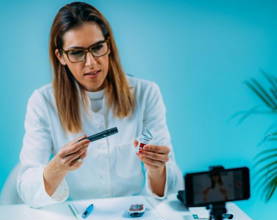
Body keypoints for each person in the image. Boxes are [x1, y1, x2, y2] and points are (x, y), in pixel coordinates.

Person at [17, 2, 183, 208]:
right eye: (77, 53)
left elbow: (171, 187)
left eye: (97, 48)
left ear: (109, 45)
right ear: (61, 56)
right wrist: (57, 168)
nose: (91, 63)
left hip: (135, 214)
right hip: (76, 216)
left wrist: (157, 169)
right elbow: (27, 189)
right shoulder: (42, 102)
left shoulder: (146, 93)